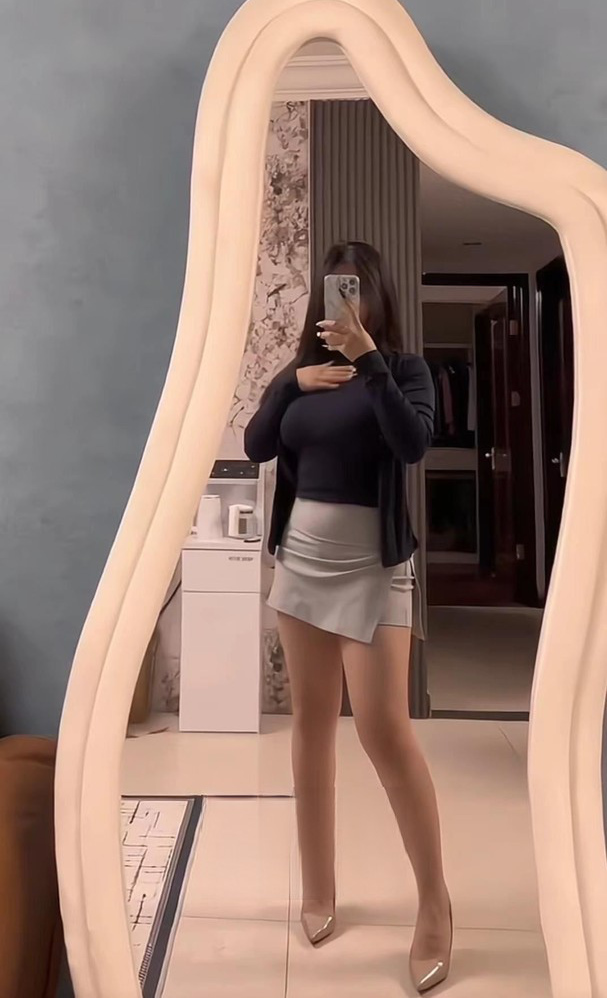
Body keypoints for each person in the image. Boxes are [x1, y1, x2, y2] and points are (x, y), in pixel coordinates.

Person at [244, 241, 452, 994]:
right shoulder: (300, 377)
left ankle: (435, 904)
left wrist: (368, 361)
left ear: (376, 297)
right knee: (309, 726)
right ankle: (319, 887)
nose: (346, 302)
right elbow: (256, 445)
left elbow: (412, 444)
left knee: (383, 731)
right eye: (337, 290)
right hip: (300, 564)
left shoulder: (403, 370)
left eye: (357, 289)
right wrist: (285, 382)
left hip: (374, 570)